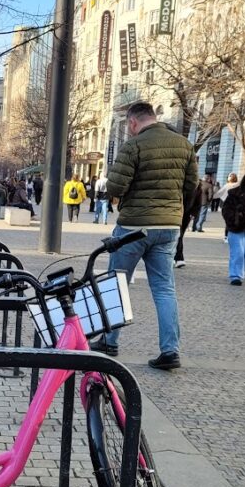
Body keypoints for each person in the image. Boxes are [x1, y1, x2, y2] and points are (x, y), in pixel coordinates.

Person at [89, 101, 198, 371]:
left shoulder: (133, 146)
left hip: (133, 227)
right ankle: (170, 350)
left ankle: (110, 341)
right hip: (168, 226)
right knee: (164, 288)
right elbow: (191, 186)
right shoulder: (184, 145)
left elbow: (115, 186)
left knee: (117, 283)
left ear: (133, 122)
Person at [173, 183, 203, 268]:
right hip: (174, 212)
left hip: (186, 214)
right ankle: (178, 257)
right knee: (178, 234)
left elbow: (198, 202)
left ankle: (177, 257)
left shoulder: (197, 185)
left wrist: (193, 213)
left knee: (180, 235)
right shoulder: (179, 181)